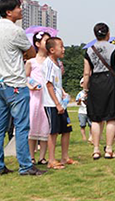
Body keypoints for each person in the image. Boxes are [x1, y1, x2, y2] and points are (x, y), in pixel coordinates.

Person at [0, 0, 45, 176]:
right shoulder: (16, 30)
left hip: (0, 84)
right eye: (18, 8)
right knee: (21, 127)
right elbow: (31, 52)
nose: (21, 10)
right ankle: (26, 166)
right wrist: (23, 55)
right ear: (9, 12)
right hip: (16, 85)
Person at [83, 23, 115, 160]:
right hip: (110, 82)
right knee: (111, 118)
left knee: (96, 119)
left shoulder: (89, 50)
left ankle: (96, 149)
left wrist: (85, 89)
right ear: (108, 34)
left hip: (95, 83)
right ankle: (109, 149)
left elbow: (86, 73)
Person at [43, 37, 73, 169]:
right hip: (52, 104)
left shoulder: (58, 63)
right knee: (53, 131)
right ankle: (51, 160)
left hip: (60, 102)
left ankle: (65, 157)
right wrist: (57, 104)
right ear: (52, 50)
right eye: (61, 47)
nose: (63, 49)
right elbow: (49, 85)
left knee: (67, 129)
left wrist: (63, 93)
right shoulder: (48, 64)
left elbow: (56, 84)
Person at [25, 31, 51, 165]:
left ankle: (42, 156)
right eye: (46, 41)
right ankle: (31, 155)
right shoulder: (31, 62)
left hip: (47, 97)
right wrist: (30, 86)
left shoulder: (51, 61)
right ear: (37, 44)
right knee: (33, 125)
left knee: (45, 125)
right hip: (34, 97)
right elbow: (24, 77)